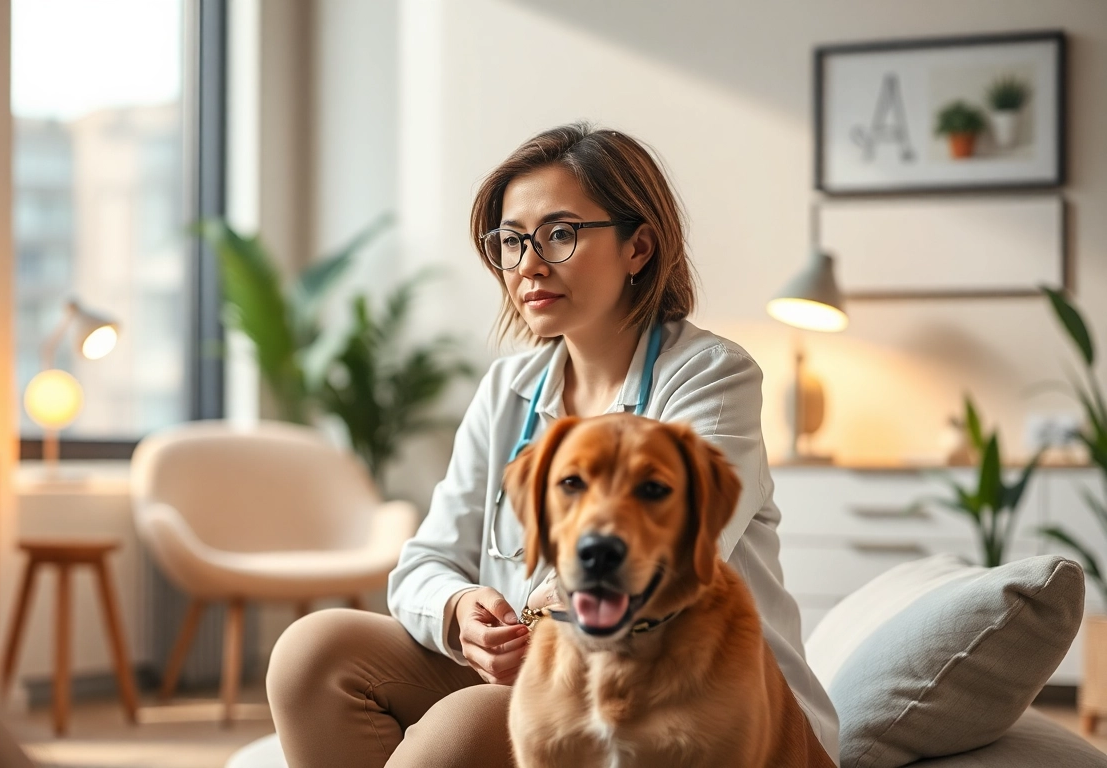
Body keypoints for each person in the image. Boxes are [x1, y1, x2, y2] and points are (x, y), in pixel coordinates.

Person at [267, 122, 840, 767]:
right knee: (313, 654)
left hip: (697, 703)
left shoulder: (712, 375)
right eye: (512, 242)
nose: (529, 265)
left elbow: (678, 555)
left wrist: (540, 615)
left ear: (639, 247)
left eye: (560, 234)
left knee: (471, 722)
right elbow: (424, 561)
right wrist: (460, 611)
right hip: (548, 674)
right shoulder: (507, 387)